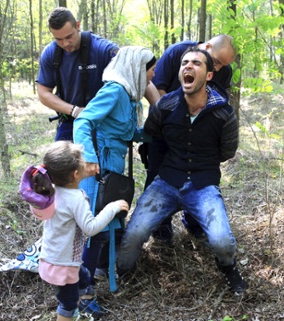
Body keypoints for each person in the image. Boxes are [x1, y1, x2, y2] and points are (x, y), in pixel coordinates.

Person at [117, 47, 246, 294]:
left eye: (196, 63)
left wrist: (201, 163)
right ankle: (123, 273)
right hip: (166, 182)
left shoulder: (223, 113)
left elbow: (226, 152)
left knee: (222, 242)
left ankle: (229, 269)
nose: (188, 66)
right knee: (134, 235)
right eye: (184, 62)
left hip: (203, 185)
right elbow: (152, 133)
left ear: (209, 75)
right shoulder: (165, 106)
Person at [73, 46, 156, 289]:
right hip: (98, 169)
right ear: (137, 69)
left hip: (113, 169)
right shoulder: (115, 90)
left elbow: (126, 132)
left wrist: (157, 134)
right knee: (92, 229)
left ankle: (98, 274)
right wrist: (88, 158)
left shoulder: (129, 97)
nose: (152, 76)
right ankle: (81, 292)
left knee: (105, 224)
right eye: (150, 70)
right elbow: (83, 120)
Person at [19, 141, 129, 321]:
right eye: (82, 159)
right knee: (67, 305)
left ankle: (82, 300)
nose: (86, 161)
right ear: (76, 173)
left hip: (52, 258)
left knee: (84, 277)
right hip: (64, 265)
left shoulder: (50, 191)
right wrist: (112, 208)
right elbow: (90, 228)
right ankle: (71, 312)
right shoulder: (76, 198)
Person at [144, 35, 236, 243]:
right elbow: (157, 89)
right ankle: (161, 229)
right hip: (166, 131)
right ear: (208, 46)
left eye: (224, 65)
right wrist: (170, 122)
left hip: (201, 138)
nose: (220, 69)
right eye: (218, 62)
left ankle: (195, 223)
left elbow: (218, 101)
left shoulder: (224, 71)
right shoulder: (178, 53)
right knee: (159, 176)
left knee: (202, 180)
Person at [36, 7, 120, 142]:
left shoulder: (103, 49)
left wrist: (159, 110)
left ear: (78, 25)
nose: (65, 43)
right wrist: (75, 111)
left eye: (69, 36)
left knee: (98, 163)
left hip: (103, 124)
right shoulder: (51, 53)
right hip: (70, 122)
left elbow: (136, 75)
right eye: (59, 39)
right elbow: (43, 93)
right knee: (61, 161)